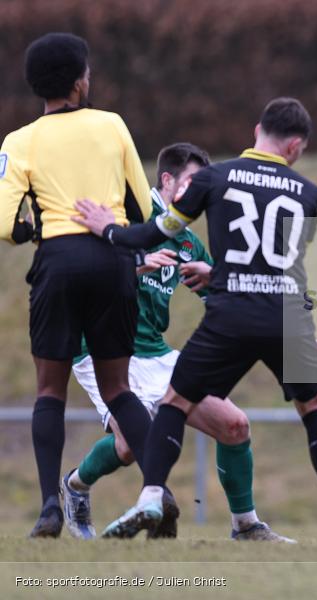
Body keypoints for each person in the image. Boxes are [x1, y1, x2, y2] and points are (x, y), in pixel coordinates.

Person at [73, 97, 317, 542]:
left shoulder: (191, 231)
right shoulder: (127, 207)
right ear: (166, 181)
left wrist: (217, 277)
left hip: (162, 352)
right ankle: (77, 487)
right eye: (186, 184)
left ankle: (244, 524)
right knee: (130, 446)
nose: (191, 192)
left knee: (234, 424)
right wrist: (124, 250)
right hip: (106, 353)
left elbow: (242, 277)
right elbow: (85, 270)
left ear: (256, 129)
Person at [0, 33, 155, 538]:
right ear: (78, 80)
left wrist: (34, 231)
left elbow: (4, 223)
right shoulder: (111, 125)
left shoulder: (19, 141)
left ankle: (49, 506)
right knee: (117, 389)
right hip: (112, 260)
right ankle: (159, 492)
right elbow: (145, 210)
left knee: (50, 390)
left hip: (58, 261)